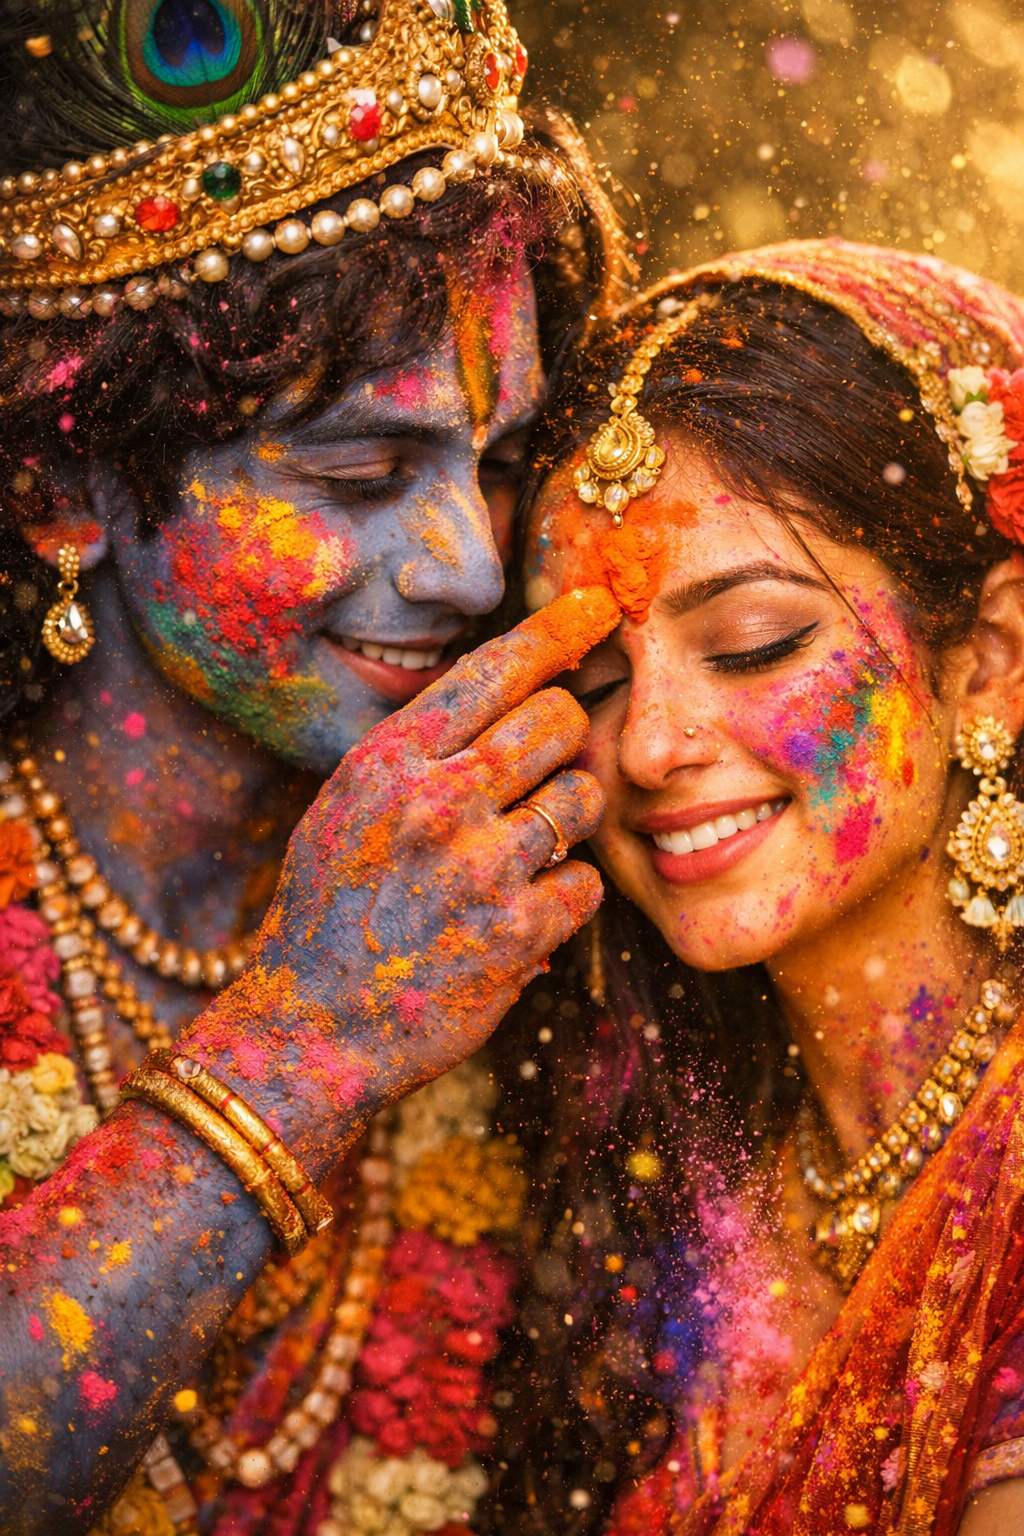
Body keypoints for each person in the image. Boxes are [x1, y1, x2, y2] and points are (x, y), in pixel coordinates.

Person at [0, 0, 630, 1530]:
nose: (469, 567)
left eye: (494, 459)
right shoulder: (414, 942)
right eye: (360, 470)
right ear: (62, 482)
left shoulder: (529, 900)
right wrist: (319, 1037)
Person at [510, 239, 1024, 1536]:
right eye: (595, 678)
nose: (646, 746)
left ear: (990, 662)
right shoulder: (665, 1170)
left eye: (751, 641)